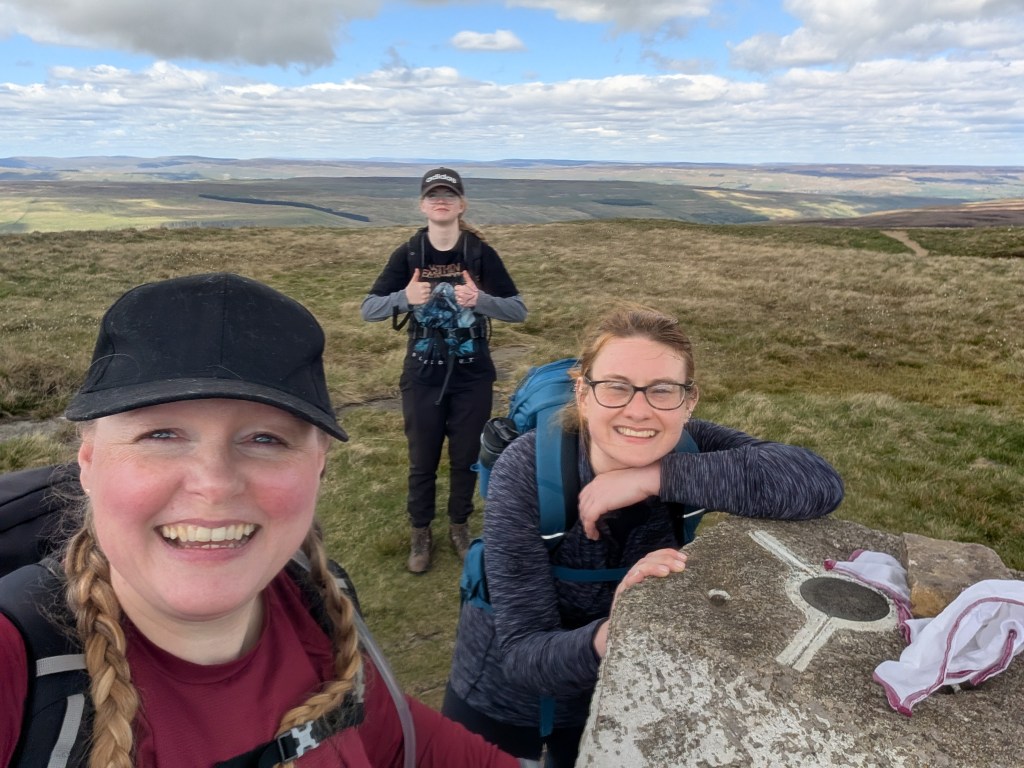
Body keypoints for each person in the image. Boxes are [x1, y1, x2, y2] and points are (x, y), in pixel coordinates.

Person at [0, 273, 524, 768]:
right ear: (87, 462)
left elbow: (401, 744)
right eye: (161, 435)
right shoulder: (17, 668)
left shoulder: (319, 604)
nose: (214, 482)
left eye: (265, 438)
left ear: (318, 466)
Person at [442, 305, 846, 767]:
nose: (639, 409)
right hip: (502, 703)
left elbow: (818, 482)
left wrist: (655, 477)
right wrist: (622, 630)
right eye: (615, 387)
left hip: (617, 692)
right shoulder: (528, 470)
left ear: (689, 401)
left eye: (662, 390)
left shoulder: (688, 447)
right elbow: (521, 655)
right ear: (583, 393)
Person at [361, 168, 527, 574]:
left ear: (461, 204)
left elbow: (518, 310)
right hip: (422, 374)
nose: (441, 201)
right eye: (434, 195)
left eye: (449, 195)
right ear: (422, 204)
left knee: (466, 456)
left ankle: (458, 526)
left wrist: (481, 300)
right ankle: (420, 532)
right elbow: (369, 309)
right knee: (422, 459)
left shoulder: (479, 253)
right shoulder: (410, 254)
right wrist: (405, 296)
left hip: (473, 374)